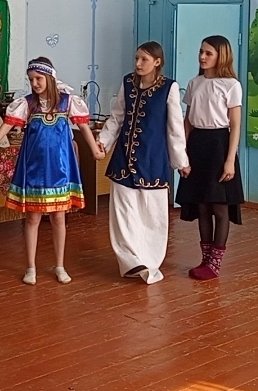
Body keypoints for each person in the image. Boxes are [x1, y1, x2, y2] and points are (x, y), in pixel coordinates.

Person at [0, 57, 101, 285]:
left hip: (60, 170)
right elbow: (6, 126)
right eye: (31, 79)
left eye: (38, 78)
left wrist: (94, 150)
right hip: (34, 169)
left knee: (58, 218)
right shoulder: (26, 104)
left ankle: (60, 265)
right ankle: (31, 267)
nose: (34, 83)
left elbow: (83, 127)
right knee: (32, 218)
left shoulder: (67, 102)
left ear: (50, 78)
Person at [97, 41, 190, 284]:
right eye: (136, 58)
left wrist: (181, 161)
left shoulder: (169, 88)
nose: (138, 64)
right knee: (123, 214)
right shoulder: (128, 83)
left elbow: (175, 128)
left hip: (153, 160)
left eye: (144, 59)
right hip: (123, 160)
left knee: (152, 215)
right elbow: (117, 117)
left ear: (157, 62)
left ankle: (150, 261)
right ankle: (130, 261)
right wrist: (102, 142)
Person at [175, 35, 244, 280]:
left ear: (220, 56)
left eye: (208, 53)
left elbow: (235, 125)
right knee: (202, 205)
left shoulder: (231, 85)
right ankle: (205, 259)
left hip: (219, 145)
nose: (202, 57)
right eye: (201, 52)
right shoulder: (194, 83)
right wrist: (182, 152)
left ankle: (215, 263)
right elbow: (188, 120)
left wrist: (229, 159)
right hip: (197, 144)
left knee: (219, 206)